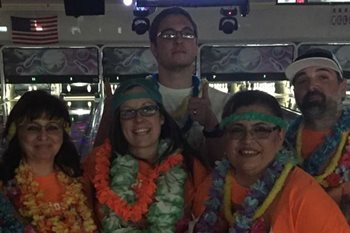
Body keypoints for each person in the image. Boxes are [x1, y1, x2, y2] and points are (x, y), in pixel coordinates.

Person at [192, 90, 350, 233]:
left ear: (280, 136)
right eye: (237, 130)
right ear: (226, 137)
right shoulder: (210, 187)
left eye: (261, 130)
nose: (248, 140)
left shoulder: (303, 196)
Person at [94, 7, 230, 167]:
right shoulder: (131, 99)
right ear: (154, 47)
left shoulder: (223, 103)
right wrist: (109, 114)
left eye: (187, 34)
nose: (179, 40)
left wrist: (211, 124)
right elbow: (98, 162)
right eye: (169, 35)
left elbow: (229, 168)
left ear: (195, 45)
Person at [83, 78, 208, 232]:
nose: (139, 119)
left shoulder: (190, 166)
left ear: (161, 117)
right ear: (119, 122)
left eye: (148, 109)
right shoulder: (98, 162)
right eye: (128, 112)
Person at [0, 90, 97, 233]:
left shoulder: (82, 185)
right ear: (16, 134)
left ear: (63, 134)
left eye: (52, 127)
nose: (43, 136)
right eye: (33, 128)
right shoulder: (3, 190)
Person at [285, 49, 350, 221]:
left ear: (342, 88)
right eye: (302, 80)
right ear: (294, 92)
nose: (311, 86)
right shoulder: (278, 142)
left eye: (323, 77)